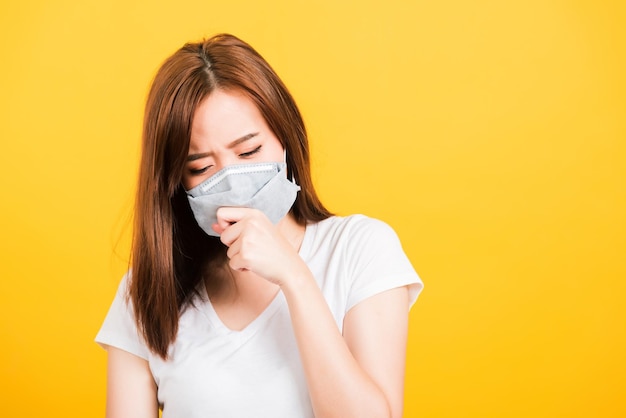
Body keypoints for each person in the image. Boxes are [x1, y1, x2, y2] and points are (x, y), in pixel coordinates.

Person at [96, 33, 423, 418]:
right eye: (201, 168)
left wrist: (294, 276)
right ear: (175, 183)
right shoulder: (149, 292)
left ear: (284, 137)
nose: (232, 179)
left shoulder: (361, 249)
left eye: (249, 151)